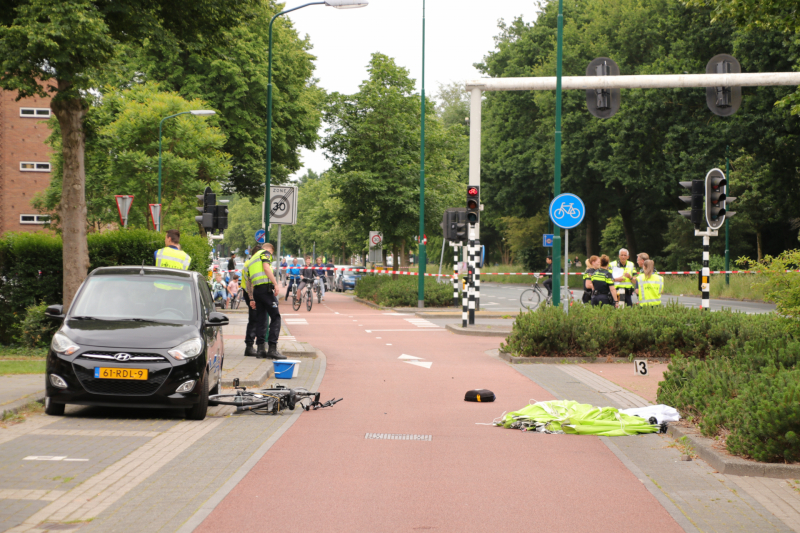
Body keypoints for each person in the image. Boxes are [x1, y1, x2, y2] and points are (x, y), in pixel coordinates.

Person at [242, 242, 285, 359]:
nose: (270, 256)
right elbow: (266, 268)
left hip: (256, 292)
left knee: (261, 319)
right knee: (276, 317)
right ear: (270, 250)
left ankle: (261, 350)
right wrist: (275, 284)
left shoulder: (251, 260)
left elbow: (249, 280)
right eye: (271, 254)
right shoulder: (265, 254)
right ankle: (272, 348)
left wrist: (251, 298)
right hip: (266, 290)